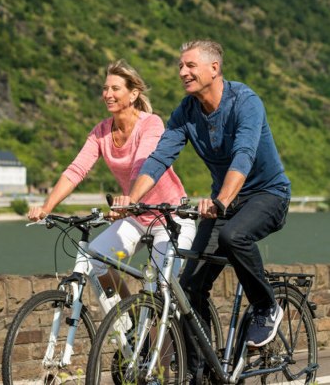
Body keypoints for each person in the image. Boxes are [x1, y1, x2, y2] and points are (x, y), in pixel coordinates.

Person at [116, 40, 290, 379]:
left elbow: (244, 154)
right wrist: (132, 202)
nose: (182, 72)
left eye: (190, 65)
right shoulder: (186, 111)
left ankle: (267, 307)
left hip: (268, 194)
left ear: (214, 69)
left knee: (233, 235)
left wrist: (222, 199)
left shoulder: (245, 102)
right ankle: (201, 374)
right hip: (224, 201)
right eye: (180, 66)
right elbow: (160, 157)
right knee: (189, 288)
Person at [28, 59, 196, 301]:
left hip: (170, 216)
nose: (108, 94)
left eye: (115, 89)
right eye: (105, 89)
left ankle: (166, 335)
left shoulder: (151, 123)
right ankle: (129, 326)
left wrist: (128, 200)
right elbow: (76, 169)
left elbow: (144, 162)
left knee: (160, 289)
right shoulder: (101, 132)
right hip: (136, 216)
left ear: (133, 93)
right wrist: (46, 208)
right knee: (95, 259)